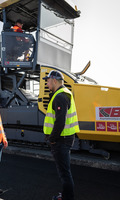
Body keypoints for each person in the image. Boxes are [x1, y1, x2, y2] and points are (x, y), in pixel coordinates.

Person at [42, 70, 80, 200]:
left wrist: (52, 139)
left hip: (61, 140)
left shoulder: (60, 96)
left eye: (47, 80)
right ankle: (65, 195)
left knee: (64, 173)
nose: (46, 83)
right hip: (65, 138)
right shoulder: (64, 93)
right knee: (65, 171)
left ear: (54, 80)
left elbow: (60, 122)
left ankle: (67, 197)